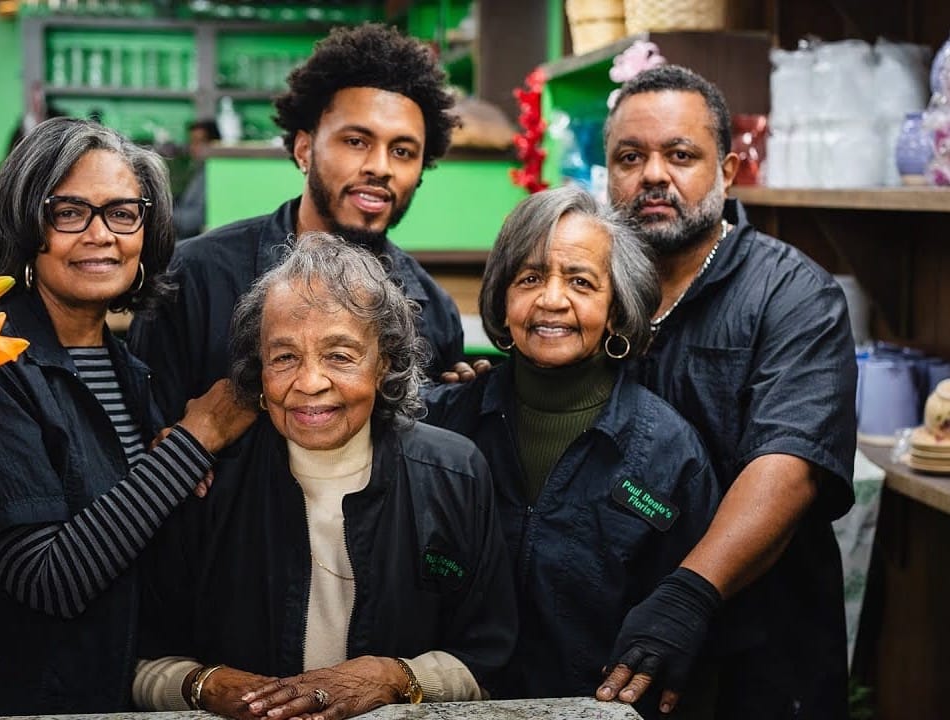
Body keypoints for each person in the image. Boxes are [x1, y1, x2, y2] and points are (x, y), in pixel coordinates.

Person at [0, 117, 256, 716]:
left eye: (122, 212)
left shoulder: (124, 370)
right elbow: (51, 579)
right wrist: (195, 440)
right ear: (24, 225)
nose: (101, 235)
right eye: (68, 212)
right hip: (9, 701)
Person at [133, 233, 515, 719]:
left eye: (339, 355)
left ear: (386, 365)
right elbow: (138, 658)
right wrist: (203, 684)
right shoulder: (208, 481)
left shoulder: (453, 475)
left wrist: (396, 677)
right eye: (285, 357)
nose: (310, 383)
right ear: (259, 369)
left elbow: (487, 660)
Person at [595, 65, 857, 719]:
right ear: (608, 174)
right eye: (631, 157)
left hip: (763, 649)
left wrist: (690, 593)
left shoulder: (792, 293)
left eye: (681, 155)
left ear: (728, 171)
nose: (654, 174)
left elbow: (789, 465)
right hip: (614, 640)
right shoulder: (589, 287)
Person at [421, 185, 720, 717]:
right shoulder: (442, 426)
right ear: (502, 297)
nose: (551, 299)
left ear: (616, 309)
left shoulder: (671, 454)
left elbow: (688, 638)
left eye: (581, 282)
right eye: (530, 278)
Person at [128, 23, 466, 424]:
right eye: (356, 141)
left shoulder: (433, 311)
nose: (380, 167)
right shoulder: (194, 278)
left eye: (403, 151)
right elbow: (140, 436)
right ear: (304, 149)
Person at [173, 118, 220, 239]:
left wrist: (160, 213)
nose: (193, 147)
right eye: (191, 142)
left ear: (214, 144)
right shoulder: (198, 171)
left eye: (199, 142)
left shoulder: (213, 176)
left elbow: (194, 220)